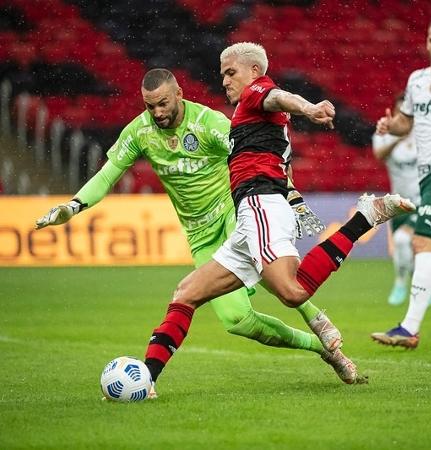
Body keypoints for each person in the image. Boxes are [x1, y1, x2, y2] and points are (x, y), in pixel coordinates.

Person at [36, 68, 361, 387]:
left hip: (235, 214)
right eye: (150, 106)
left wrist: (286, 191)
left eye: (163, 103)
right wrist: (73, 206)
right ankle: (322, 349)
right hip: (200, 236)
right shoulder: (139, 132)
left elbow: (256, 155)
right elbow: (108, 175)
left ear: (179, 94)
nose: (157, 112)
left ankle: (315, 317)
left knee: (274, 276)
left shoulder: (210, 124)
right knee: (237, 322)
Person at [140, 43, 415, 397]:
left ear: (253, 71)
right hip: (249, 215)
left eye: (230, 72)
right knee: (186, 293)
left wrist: (310, 107)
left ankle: (365, 216)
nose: (223, 80)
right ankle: (146, 380)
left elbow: (280, 97)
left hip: (260, 203)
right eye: (222, 73)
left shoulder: (258, 91)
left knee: (291, 290)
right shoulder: (249, 111)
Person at [372, 16, 431, 349]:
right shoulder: (416, 81)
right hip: (429, 172)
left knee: (423, 242)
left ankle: (409, 328)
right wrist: (392, 126)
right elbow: (407, 123)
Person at [372, 93, 431, 306]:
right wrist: (397, 137)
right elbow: (379, 154)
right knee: (406, 248)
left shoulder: (425, 135)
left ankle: (400, 283)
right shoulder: (385, 132)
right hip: (398, 202)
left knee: (403, 241)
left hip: (423, 199)